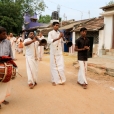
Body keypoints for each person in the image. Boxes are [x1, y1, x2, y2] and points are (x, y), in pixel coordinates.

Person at [48, 22, 66, 86]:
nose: (57, 27)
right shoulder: (50, 33)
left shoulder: (59, 33)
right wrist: (58, 38)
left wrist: (62, 37)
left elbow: (63, 41)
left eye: (58, 26)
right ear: (53, 26)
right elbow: (49, 41)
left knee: (61, 66)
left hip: (59, 52)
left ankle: (61, 79)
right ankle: (53, 80)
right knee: (53, 67)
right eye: (56, 25)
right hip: (53, 52)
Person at [0, 26, 13, 109]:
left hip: (5, 64)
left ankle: (2, 98)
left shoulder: (7, 42)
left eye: (6, 33)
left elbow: (10, 53)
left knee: (4, 83)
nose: (5, 35)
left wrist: (11, 63)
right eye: (3, 34)